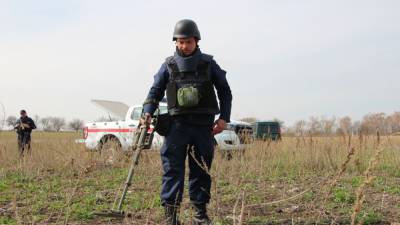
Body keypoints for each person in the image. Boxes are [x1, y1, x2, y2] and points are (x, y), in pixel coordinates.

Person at [141, 19, 232, 225]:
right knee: (173, 170)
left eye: (188, 42)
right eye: (180, 42)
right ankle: (171, 217)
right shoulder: (168, 66)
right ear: (176, 42)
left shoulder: (209, 64)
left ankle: (200, 214)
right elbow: (154, 92)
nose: (184, 46)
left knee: (201, 170)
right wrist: (147, 112)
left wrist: (224, 118)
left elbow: (225, 91)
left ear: (196, 41)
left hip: (203, 127)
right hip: (176, 127)